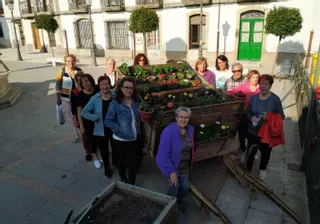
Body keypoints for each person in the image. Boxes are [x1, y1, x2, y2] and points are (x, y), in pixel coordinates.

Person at [156, 106, 195, 213]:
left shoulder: (190, 129)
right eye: (181, 117)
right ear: (176, 118)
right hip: (170, 166)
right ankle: (167, 206)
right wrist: (172, 171)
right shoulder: (168, 131)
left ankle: (178, 201)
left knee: (185, 187)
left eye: (186, 117)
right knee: (174, 187)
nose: (183, 120)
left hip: (184, 166)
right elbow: (164, 154)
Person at [246, 74, 285, 180]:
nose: (263, 86)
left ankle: (262, 168)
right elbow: (247, 112)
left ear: (270, 86)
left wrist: (269, 117)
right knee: (250, 151)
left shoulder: (275, 99)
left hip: (267, 133)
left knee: (265, 152)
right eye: (261, 84)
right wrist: (251, 118)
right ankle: (247, 169)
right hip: (253, 131)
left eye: (266, 84)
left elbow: (281, 116)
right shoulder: (254, 98)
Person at [105, 77, 141, 184]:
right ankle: (123, 178)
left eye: (131, 88)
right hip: (120, 140)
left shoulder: (137, 101)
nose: (129, 90)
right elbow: (108, 121)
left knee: (133, 164)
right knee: (121, 162)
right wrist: (120, 130)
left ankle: (131, 184)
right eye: (126, 87)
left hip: (134, 139)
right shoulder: (116, 103)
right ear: (121, 88)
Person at [81, 76, 115, 178]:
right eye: (102, 84)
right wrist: (94, 117)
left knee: (116, 148)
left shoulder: (114, 95)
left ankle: (117, 164)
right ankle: (107, 168)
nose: (105, 86)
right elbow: (84, 112)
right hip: (101, 129)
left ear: (109, 84)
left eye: (107, 84)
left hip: (114, 128)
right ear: (99, 86)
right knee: (104, 151)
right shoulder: (95, 98)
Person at [227, 70, 260, 151]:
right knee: (243, 130)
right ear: (249, 78)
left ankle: (252, 146)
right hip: (244, 113)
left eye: (257, 77)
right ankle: (242, 143)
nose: (255, 79)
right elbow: (231, 92)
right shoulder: (244, 87)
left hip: (255, 114)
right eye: (253, 77)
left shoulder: (260, 89)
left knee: (254, 131)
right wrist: (221, 91)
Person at [55, 54, 83, 143]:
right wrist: (58, 99)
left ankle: (80, 130)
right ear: (65, 62)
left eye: (72, 60)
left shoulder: (80, 71)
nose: (71, 62)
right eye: (68, 61)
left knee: (79, 115)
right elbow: (57, 85)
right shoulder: (62, 72)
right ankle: (77, 134)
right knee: (72, 117)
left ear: (75, 61)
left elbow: (84, 82)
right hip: (66, 98)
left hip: (78, 97)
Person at [76, 74, 100, 164]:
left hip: (98, 120)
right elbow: (79, 112)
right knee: (92, 139)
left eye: (87, 81)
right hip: (88, 122)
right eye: (83, 82)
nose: (85, 83)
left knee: (100, 138)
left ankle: (100, 154)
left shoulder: (97, 91)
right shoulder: (80, 95)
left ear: (91, 81)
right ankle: (95, 156)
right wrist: (81, 126)